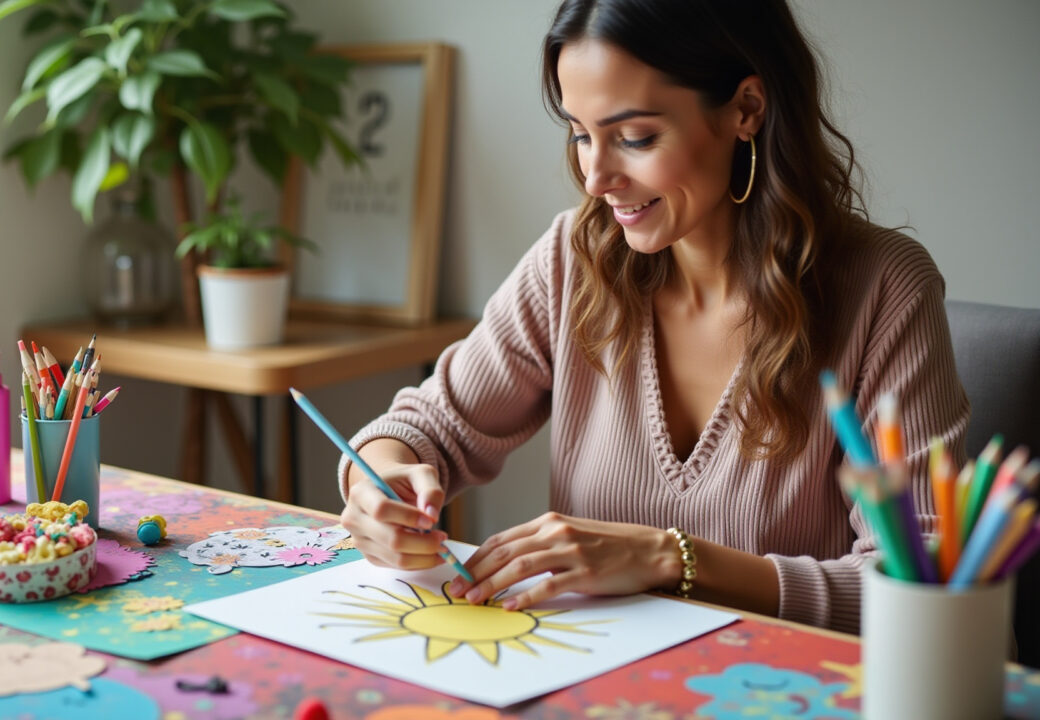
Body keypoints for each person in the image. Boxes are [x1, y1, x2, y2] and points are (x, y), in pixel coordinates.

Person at [336, 0, 970, 634]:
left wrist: (670, 559)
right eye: (581, 134)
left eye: (634, 137)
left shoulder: (884, 289)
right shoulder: (574, 261)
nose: (595, 178)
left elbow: (924, 586)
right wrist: (382, 481)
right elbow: (433, 426)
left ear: (746, 108)